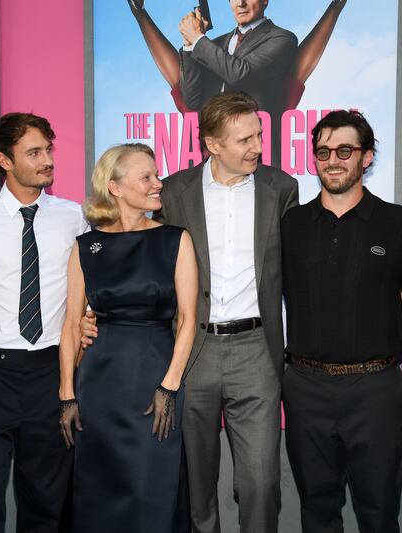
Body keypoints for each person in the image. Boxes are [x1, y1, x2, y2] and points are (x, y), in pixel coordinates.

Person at [83, 91, 298, 533]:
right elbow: (131, 248)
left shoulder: (281, 188)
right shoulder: (174, 191)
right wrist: (93, 310)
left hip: (256, 350)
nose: (258, 146)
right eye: (245, 139)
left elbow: (296, 268)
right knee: (196, 483)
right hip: (190, 349)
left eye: (258, 135)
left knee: (260, 483)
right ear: (213, 144)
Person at [0, 112, 87, 532]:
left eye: (48, 149)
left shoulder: (73, 216)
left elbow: (85, 291)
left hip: (51, 373)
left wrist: (88, 320)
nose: (47, 160)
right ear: (4, 160)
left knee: (47, 504)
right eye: (34, 152)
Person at [281, 110, 402, 532]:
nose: (333, 160)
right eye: (323, 152)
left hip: (374, 389)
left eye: (344, 150)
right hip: (305, 388)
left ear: (367, 156)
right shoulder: (291, 224)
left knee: (379, 513)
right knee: (316, 511)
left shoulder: (397, 222)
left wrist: (371, 319)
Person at [59, 143, 197, 532]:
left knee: (151, 484)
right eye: (146, 177)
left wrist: (169, 386)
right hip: (99, 384)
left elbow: (188, 319)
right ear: (115, 187)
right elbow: (71, 324)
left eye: (157, 175)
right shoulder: (87, 247)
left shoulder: (175, 240)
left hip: (155, 378)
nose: (158, 184)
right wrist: (67, 393)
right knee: (99, 486)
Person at [126, 1, 348, 163]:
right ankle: (139, 12)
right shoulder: (214, 44)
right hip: (209, 152)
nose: (240, 3)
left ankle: (336, 6)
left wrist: (198, 40)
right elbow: (191, 99)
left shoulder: (281, 38)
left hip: (254, 153)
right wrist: (189, 45)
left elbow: (241, 75)